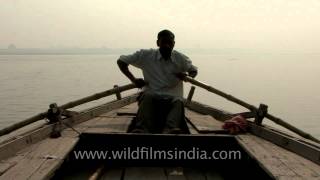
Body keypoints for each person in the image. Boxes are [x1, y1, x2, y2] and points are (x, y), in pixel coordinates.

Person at [117, 29, 198, 133]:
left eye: (170, 43)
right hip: (151, 95)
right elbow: (121, 61)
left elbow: (194, 70)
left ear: (174, 44)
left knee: (178, 101)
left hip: (172, 97)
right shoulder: (145, 55)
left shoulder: (180, 58)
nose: (167, 45)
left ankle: (170, 129)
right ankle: (142, 129)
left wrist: (187, 76)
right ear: (158, 43)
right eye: (164, 42)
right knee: (146, 96)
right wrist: (133, 80)